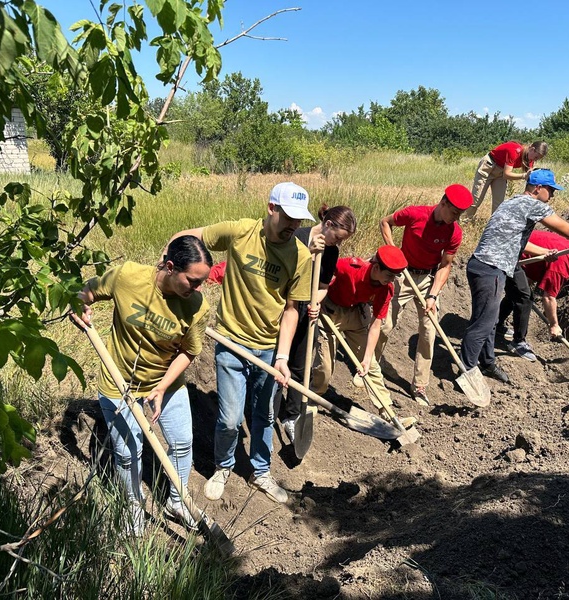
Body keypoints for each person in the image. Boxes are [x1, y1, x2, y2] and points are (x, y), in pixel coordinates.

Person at [166, 182, 313, 504]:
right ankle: (224, 466)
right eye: (288, 216)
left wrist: (283, 356)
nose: (293, 226)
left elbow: (291, 310)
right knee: (230, 418)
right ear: (271, 208)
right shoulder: (240, 231)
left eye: (299, 220)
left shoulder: (300, 257)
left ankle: (261, 472)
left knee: (264, 417)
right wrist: (169, 269)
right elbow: (187, 238)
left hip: (269, 347)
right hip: (230, 342)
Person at [70, 235, 213, 536]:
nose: (198, 289)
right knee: (126, 452)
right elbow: (88, 291)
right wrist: (81, 304)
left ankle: (178, 502)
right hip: (118, 382)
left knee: (182, 442)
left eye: (202, 282)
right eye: (193, 281)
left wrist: (161, 387)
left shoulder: (197, 306)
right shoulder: (128, 277)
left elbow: (189, 351)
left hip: (168, 383)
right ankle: (133, 507)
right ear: (171, 267)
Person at [460, 169, 569, 385]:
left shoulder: (513, 202)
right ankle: (467, 370)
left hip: (484, 265)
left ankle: (487, 363)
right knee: (482, 324)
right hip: (491, 267)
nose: (553, 195)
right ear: (538, 188)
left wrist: (541, 254)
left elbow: (517, 240)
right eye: (551, 190)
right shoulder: (532, 204)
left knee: (489, 320)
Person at [375, 184, 473, 405]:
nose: (456, 218)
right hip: (402, 274)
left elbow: (445, 266)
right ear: (444, 202)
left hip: (427, 280)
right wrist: (393, 252)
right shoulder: (415, 214)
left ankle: (419, 385)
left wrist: (433, 295)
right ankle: (371, 366)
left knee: (429, 331)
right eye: (454, 212)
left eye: (460, 214)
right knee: (386, 324)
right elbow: (385, 222)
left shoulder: (454, 232)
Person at [276, 205, 357, 442]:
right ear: (328, 225)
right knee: (277, 361)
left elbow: (322, 287)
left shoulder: (331, 252)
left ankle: (292, 416)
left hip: (305, 310)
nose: (338, 244)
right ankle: (269, 411)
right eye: (337, 238)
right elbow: (284, 273)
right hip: (282, 306)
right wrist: (309, 254)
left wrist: (316, 303)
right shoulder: (297, 237)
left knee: (301, 366)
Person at [311, 246, 410, 421]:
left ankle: (388, 413)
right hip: (331, 312)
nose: (392, 280)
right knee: (325, 367)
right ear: (376, 267)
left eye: (395, 276)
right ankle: (313, 398)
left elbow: (376, 324)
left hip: (358, 315)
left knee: (370, 365)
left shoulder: (386, 288)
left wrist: (366, 357)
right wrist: (316, 298)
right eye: (389, 275)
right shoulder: (349, 267)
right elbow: (321, 268)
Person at [496, 230, 569, 360]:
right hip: (506, 253)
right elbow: (548, 297)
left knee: (518, 293)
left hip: (509, 248)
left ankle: (496, 325)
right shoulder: (561, 264)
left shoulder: (566, 246)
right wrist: (554, 325)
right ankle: (518, 342)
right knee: (525, 298)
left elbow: (530, 271)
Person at [464, 141, 548, 220]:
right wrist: (523, 176)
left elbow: (530, 176)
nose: (535, 160)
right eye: (536, 157)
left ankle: (495, 225)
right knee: (476, 200)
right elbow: (507, 174)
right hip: (488, 167)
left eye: (538, 159)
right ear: (532, 149)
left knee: (498, 203)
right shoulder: (515, 151)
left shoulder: (529, 159)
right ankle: (464, 221)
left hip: (500, 172)